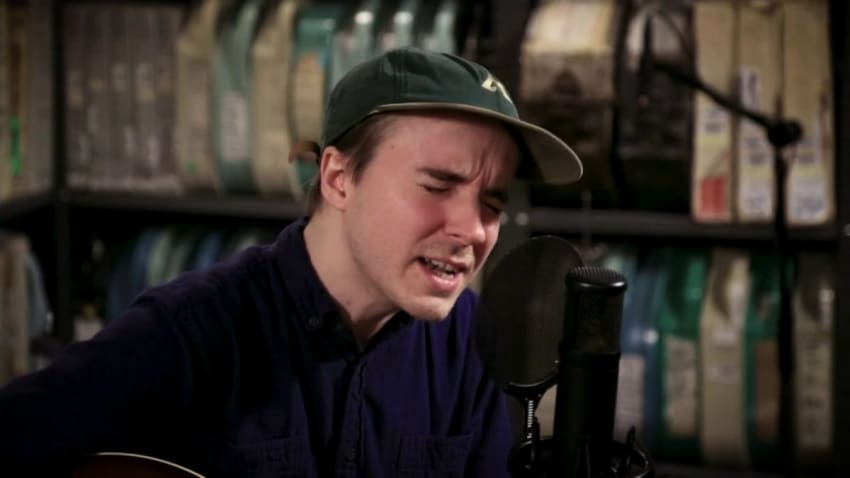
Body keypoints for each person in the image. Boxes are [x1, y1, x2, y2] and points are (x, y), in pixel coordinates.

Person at [0, 47, 582, 477]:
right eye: (437, 185)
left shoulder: (473, 346)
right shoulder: (191, 332)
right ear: (337, 177)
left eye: (492, 202)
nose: (473, 229)